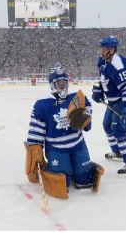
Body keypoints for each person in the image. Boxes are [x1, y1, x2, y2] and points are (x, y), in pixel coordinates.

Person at [24, 63, 104, 199]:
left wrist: (85, 118)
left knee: (84, 179)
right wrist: (34, 149)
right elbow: (36, 130)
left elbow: (87, 115)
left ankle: (79, 170)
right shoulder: (43, 105)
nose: (62, 86)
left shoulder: (76, 99)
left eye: (64, 82)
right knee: (62, 182)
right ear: (51, 84)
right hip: (56, 148)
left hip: (78, 145)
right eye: (58, 83)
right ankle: (58, 170)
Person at [92, 36, 126, 175]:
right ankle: (117, 152)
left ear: (112, 49)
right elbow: (103, 79)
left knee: (119, 129)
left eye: (104, 48)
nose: (101, 51)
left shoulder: (120, 64)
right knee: (107, 125)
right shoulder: (103, 62)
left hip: (125, 100)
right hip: (114, 100)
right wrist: (98, 90)